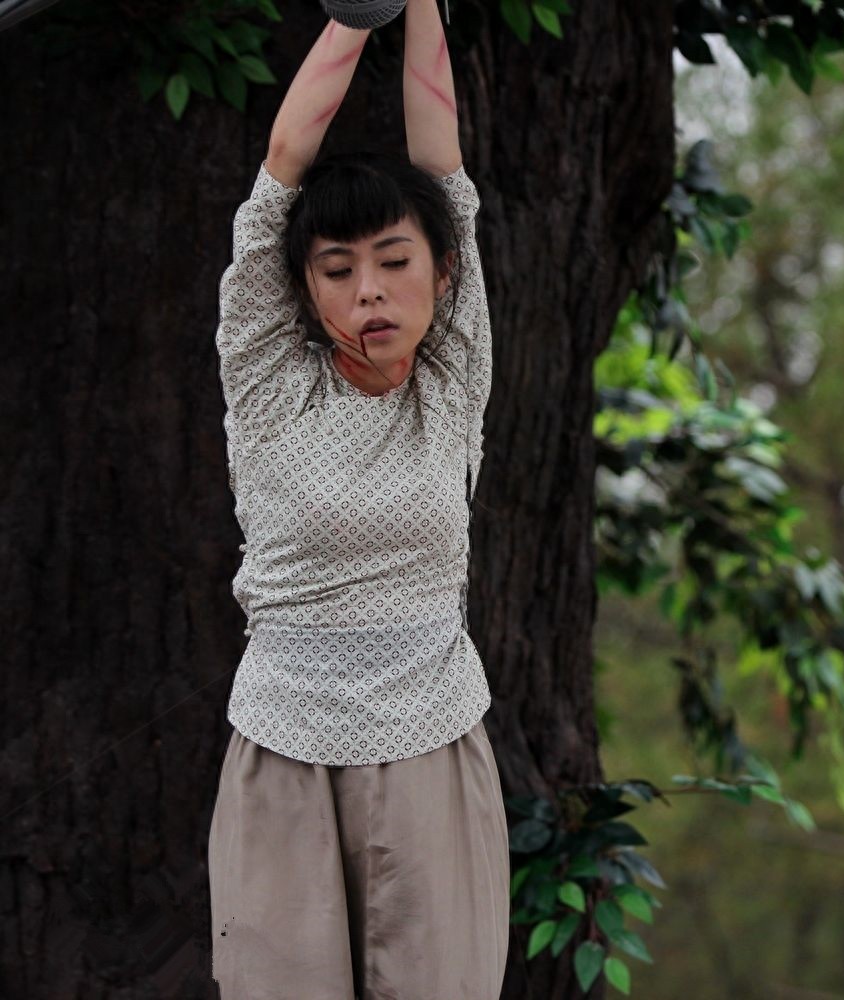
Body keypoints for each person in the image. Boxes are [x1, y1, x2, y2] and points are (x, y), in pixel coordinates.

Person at [207, 3, 509, 997]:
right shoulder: (268, 380)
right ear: (305, 292)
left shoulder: (451, 372)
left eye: (392, 261)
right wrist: (349, 18)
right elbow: (284, 163)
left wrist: (418, 4)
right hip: (282, 739)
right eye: (338, 271)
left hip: (430, 731)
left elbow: (443, 165)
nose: (370, 290)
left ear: (440, 275)